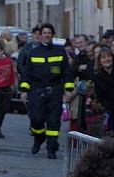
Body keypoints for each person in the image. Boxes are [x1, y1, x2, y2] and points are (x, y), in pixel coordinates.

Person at [18, 23, 73, 159]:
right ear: (40, 35)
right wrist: (24, 90)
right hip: (36, 90)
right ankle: (39, 137)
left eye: (49, 33)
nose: (47, 35)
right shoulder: (33, 52)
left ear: (52, 35)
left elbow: (67, 72)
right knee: (36, 119)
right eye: (44, 33)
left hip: (54, 90)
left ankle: (51, 148)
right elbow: (26, 74)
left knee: (53, 121)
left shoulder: (60, 52)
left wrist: (69, 89)